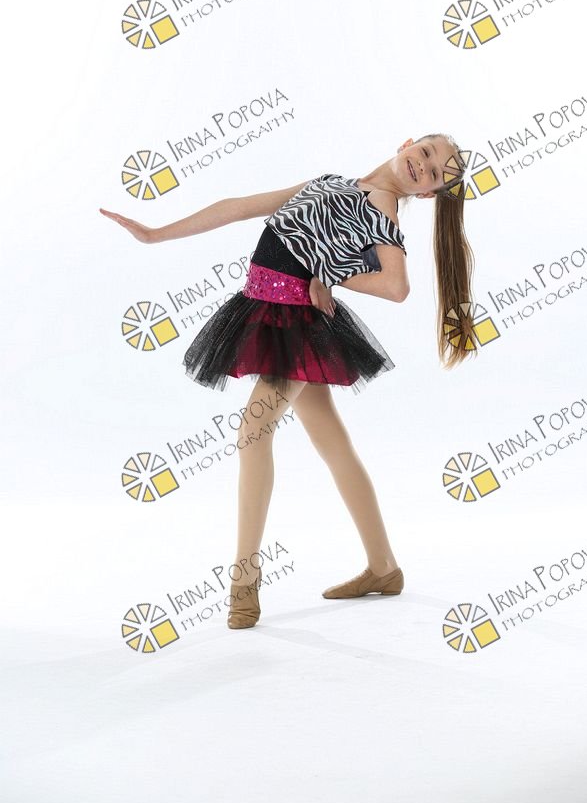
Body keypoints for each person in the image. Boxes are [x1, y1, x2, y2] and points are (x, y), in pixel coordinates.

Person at [100, 133, 476, 630]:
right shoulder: (332, 182)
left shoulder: (382, 213)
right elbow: (241, 207)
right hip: (266, 309)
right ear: (408, 142)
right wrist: (156, 234)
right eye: (425, 152)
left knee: (252, 432)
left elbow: (396, 285)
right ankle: (384, 567)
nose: (422, 166)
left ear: (427, 194)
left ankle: (245, 579)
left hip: (294, 325)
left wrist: (329, 276)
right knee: (333, 444)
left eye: (434, 174)